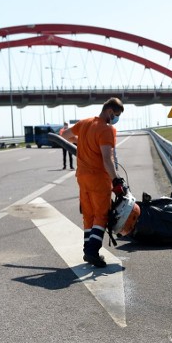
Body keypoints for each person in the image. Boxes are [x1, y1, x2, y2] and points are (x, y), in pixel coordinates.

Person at [58, 98, 125, 268]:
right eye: (116, 115)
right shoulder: (106, 130)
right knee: (101, 214)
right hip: (98, 179)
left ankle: (87, 249)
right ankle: (92, 252)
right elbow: (107, 159)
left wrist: (82, 142)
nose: (115, 119)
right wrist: (116, 180)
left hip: (82, 177)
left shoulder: (85, 123)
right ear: (110, 111)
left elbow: (65, 135)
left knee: (88, 215)